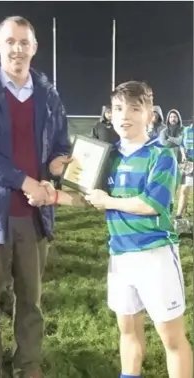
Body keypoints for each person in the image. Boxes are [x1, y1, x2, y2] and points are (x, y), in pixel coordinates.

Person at [27, 81, 193, 378]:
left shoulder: (162, 154)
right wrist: (51, 196)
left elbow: (152, 203)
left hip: (155, 256)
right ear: (110, 115)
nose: (124, 115)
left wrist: (109, 201)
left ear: (150, 116)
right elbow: (88, 198)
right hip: (120, 256)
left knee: (171, 338)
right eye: (118, 108)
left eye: (134, 108)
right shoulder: (107, 155)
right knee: (127, 331)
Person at [0, 16, 71, 378]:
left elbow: (59, 146)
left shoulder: (48, 94)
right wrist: (25, 181)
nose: (18, 48)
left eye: (24, 42)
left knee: (31, 303)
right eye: (10, 41)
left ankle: (29, 367)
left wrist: (57, 164)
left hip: (34, 216)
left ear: (35, 48)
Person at [175, 122, 194, 222]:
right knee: (184, 190)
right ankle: (179, 215)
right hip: (190, 163)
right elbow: (181, 144)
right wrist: (183, 154)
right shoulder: (186, 130)